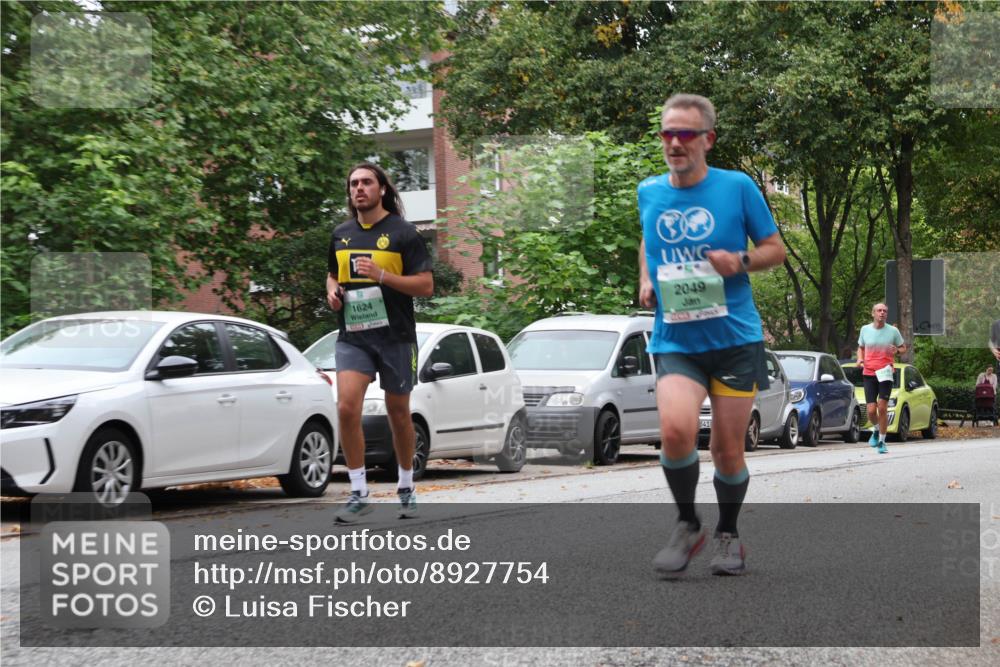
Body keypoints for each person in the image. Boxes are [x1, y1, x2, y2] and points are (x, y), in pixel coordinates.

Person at [638, 94, 786, 578]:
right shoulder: (649, 192)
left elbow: (775, 249)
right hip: (676, 339)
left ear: (707, 139)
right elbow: (648, 238)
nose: (675, 143)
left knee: (726, 450)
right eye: (667, 134)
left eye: (685, 134)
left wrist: (739, 261)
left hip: (734, 340)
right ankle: (687, 524)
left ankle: (728, 533)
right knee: (677, 432)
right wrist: (645, 277)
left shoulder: (737, 187)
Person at [326, 162, 433, 523]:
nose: (359, 189)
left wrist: (383, 275)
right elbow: (331, 272)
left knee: (399, 414)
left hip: (396, 337)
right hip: (354, 336)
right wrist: (332, 291)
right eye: (354, 183)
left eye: (367, 182)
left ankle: (405, 487)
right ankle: (359, 492)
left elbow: (425, 285)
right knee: (345, 407)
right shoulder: (341, 233)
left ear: (382, 189)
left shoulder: (404, 234)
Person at [857, 303, 906, 454]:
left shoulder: (893, 331)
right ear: (873, 313)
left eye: (885, 311)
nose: (882, 313)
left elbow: (904, 348)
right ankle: (877, 430)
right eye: (879, 310)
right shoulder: (865, 329)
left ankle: (882, 442)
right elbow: (861, 347)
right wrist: (859, 359)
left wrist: (897, 350)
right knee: (871, 410)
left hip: (885, 373)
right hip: (869, 373)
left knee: (882, 408)